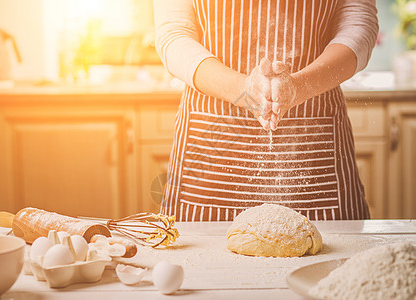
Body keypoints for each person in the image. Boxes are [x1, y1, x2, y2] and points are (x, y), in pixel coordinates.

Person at [153, 0, 379, 221]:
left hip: (314, 154)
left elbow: (358, 26)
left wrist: (299, 87)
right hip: (211, 147)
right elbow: (174, 34)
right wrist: (241, 89)